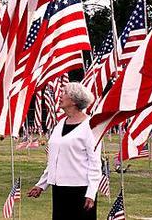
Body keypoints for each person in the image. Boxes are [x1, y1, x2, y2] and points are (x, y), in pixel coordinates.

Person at [27, 82, 102, 220]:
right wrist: (41, 185)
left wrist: (91, 193)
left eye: (65, 93)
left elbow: (95, 164)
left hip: (81, 191)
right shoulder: (60, 125)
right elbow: (54, 161)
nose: (60, 96)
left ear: (74, 100)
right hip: (59, 189)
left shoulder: (90, 127)